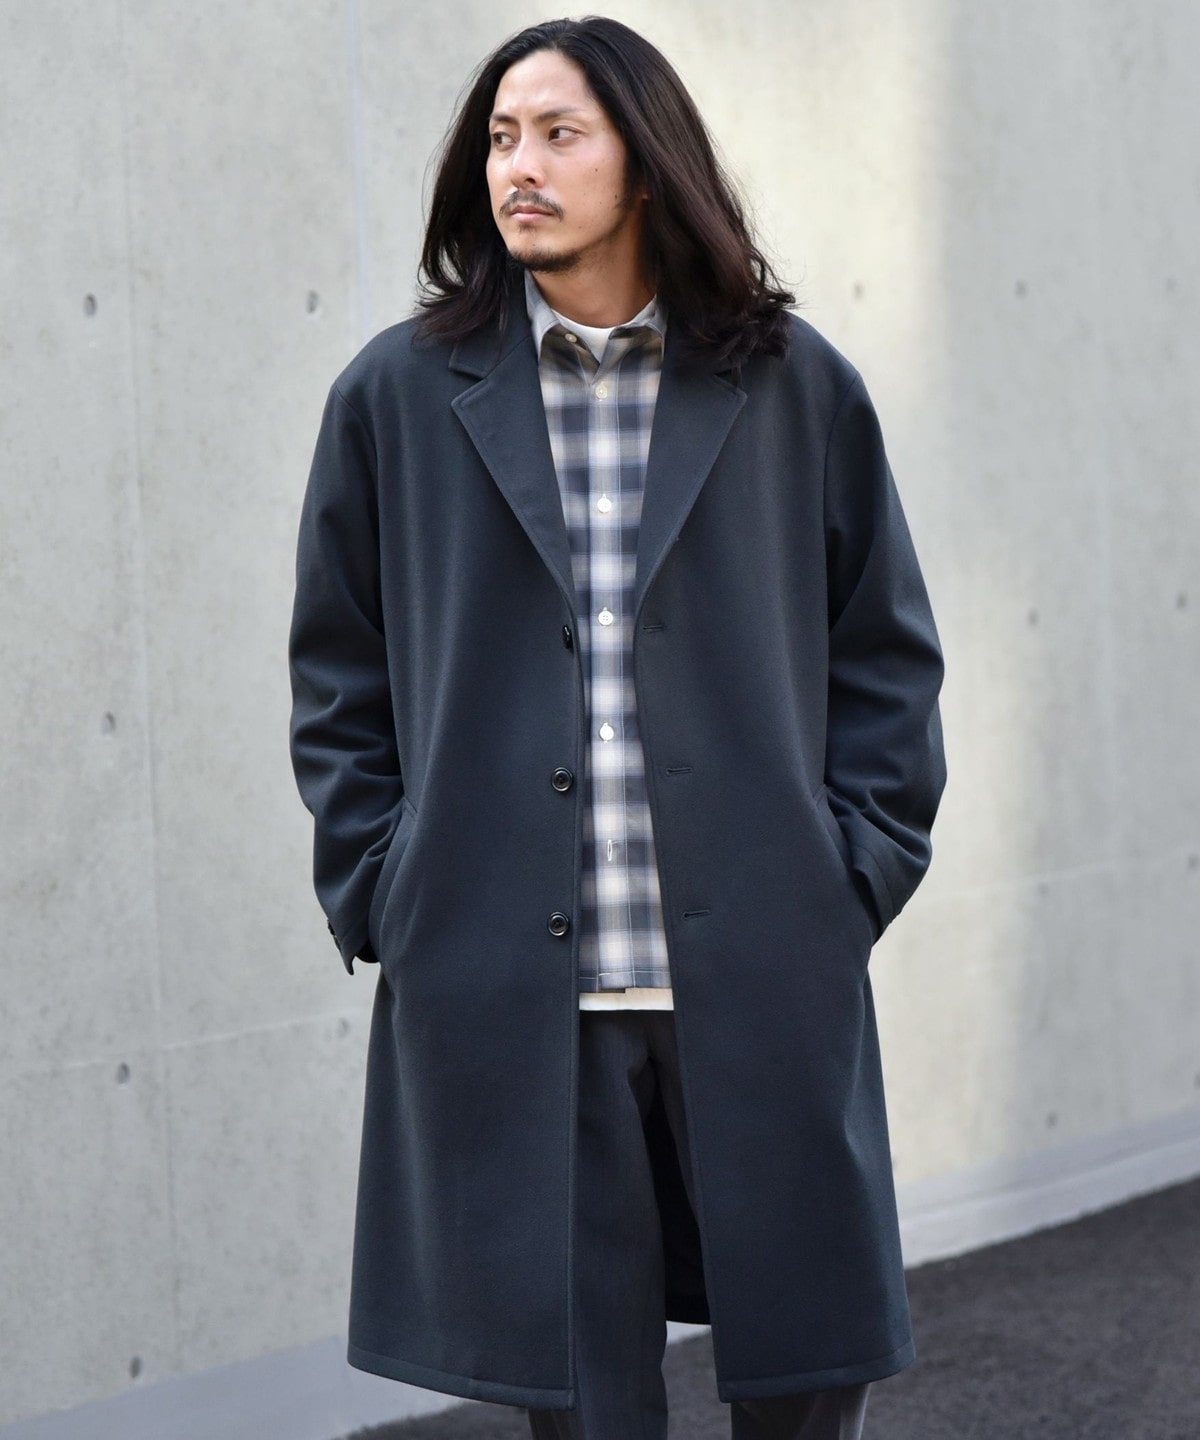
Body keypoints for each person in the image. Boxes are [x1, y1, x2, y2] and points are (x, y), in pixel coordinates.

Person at [289, 16, 945, 1440]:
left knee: (808, 1367)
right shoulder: (396, 398)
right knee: (582, 1402)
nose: (516, 168)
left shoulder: (792, 384)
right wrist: (386, 885)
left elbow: (885, 654)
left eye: (557, 134)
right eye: (499, 138)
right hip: (522, 985)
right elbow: (337, 676)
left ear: (644, 165)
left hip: (759, 959)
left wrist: (854, 873)